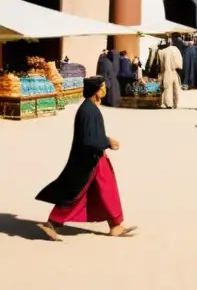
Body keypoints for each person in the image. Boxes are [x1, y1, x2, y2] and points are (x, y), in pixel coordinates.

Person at [35, 76, 136, 240]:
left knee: (105, 190)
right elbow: (88, 139)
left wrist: (105, 141)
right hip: (89, 160)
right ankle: (52, 224)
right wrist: (108, 142)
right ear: (96, 90)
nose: (105, 89)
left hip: (95, 156)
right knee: (78, 193)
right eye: (102, 87)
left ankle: (115, 225)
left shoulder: (91, 108)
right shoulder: (87, 111)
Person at [157, 40, 183, 109]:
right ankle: (175, 103)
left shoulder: (161, 52)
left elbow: (161, 65)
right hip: (174, 71)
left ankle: (169, 104)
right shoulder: (175, 49)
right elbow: (179, 62)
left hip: (166, 72)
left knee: (168, 88)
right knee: (175, 88)